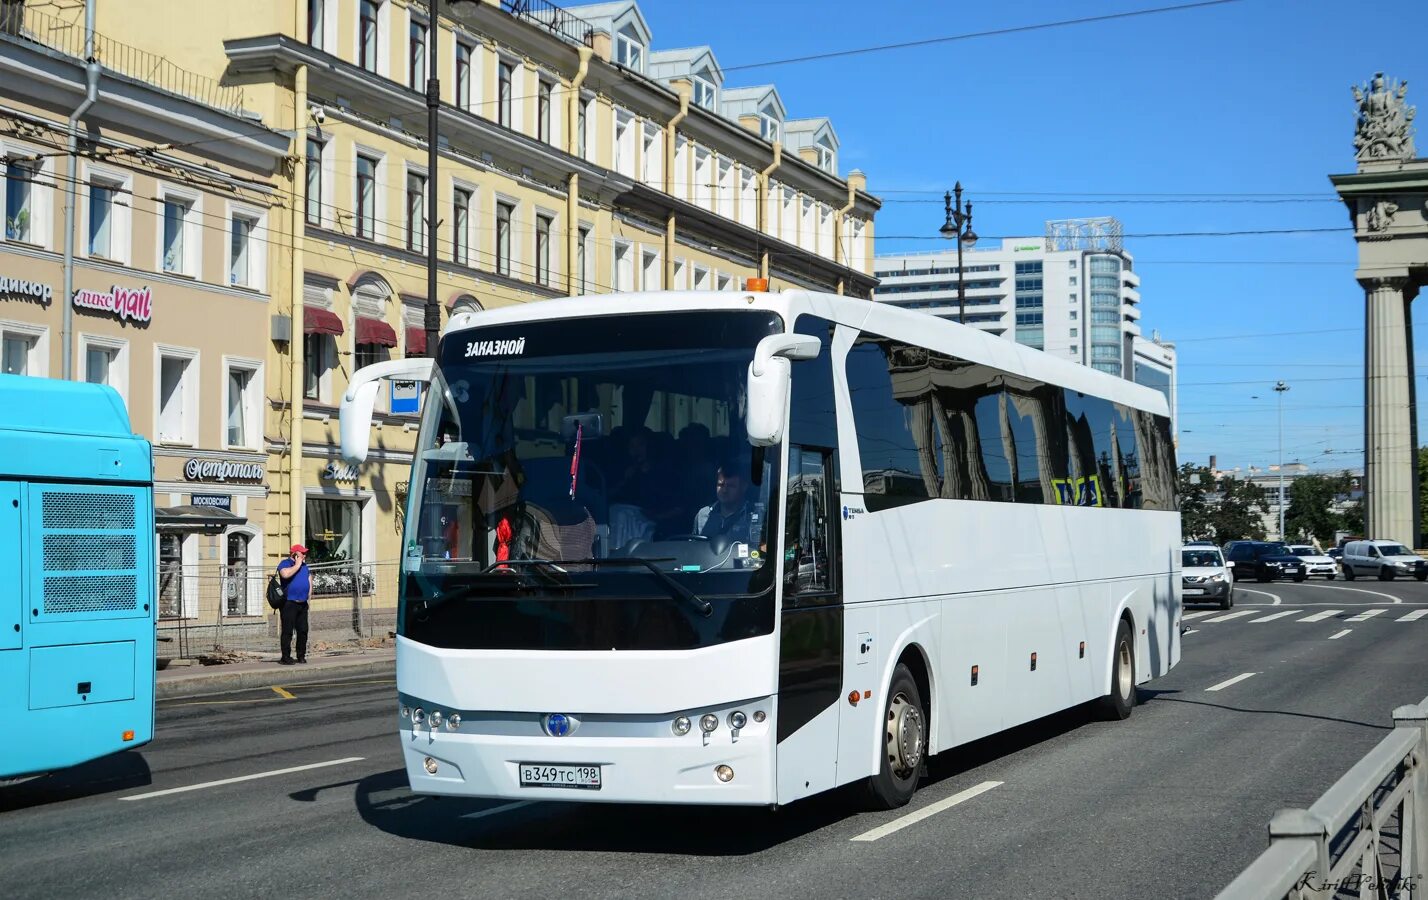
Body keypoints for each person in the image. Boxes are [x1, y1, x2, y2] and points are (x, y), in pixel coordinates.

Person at [692, 462, 756, 543]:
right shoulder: (702, 515)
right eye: (720, 485)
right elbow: (694, 549)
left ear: (743, 487)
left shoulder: (753, 516)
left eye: (731, 486)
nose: (724, 490)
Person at [276, 544, 312, 665]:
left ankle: (301, 655)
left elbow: (309, 580)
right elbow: (285, 574)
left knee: (303, 631)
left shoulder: (305, 566)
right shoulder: (285, 563)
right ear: (295, 554)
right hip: (289, 603)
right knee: (287, 631)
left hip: (302, 603)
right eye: (302, 553)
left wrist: (309, 597)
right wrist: (297, 565)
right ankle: (285, 657)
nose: (305, 555)